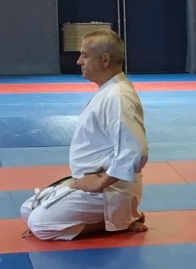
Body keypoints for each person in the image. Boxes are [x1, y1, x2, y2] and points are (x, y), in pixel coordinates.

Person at [21, 30, 149, 240]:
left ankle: (118, 221)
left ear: (105, 59)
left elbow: (136, 151)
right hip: (91, 181)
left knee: (40, 225)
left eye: (85, 55)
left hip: (110, 189)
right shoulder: (108, 91)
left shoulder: (118, 97)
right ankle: (119, 218)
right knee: (28, 209)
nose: (79, 61)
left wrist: (100, 183)